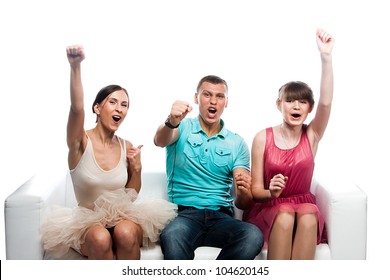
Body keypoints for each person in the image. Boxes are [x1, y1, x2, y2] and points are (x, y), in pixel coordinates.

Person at [41, 45, 177, 260]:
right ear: (97, 108)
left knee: (125, 232)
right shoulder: (79, 142)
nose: (119, 109)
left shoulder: (126, 145)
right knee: (100, 238)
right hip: (88, 223)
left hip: (122, 216)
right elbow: (77, 108)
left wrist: (137, 169)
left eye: (124, 105)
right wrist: (75, 67)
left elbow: (130, 196)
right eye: (112, 102)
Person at [243, 29, 334, 260]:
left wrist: (326, 57)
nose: (296, 106)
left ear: (309, 108)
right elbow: (255, 192)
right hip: (269, 206)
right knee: (284, 213)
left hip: (303, 206)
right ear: (279, 104)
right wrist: (271, 191)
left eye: (302, 102)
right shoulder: (262, 137)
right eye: (290, 101)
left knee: (309, 213)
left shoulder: (312, 135)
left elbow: (326, 102)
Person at [153, 75, 264, 260]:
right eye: (207, 95)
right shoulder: (181, 127)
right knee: (172, 235)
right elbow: (159, 140)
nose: (213, 101)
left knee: (253, 235)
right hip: (184, 215)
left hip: (221, 217)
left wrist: (244, 192)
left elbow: (243, 203)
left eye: (219, 96)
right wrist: (171, 121)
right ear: (196, 98)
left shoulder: (236, 143)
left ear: (226, 102)